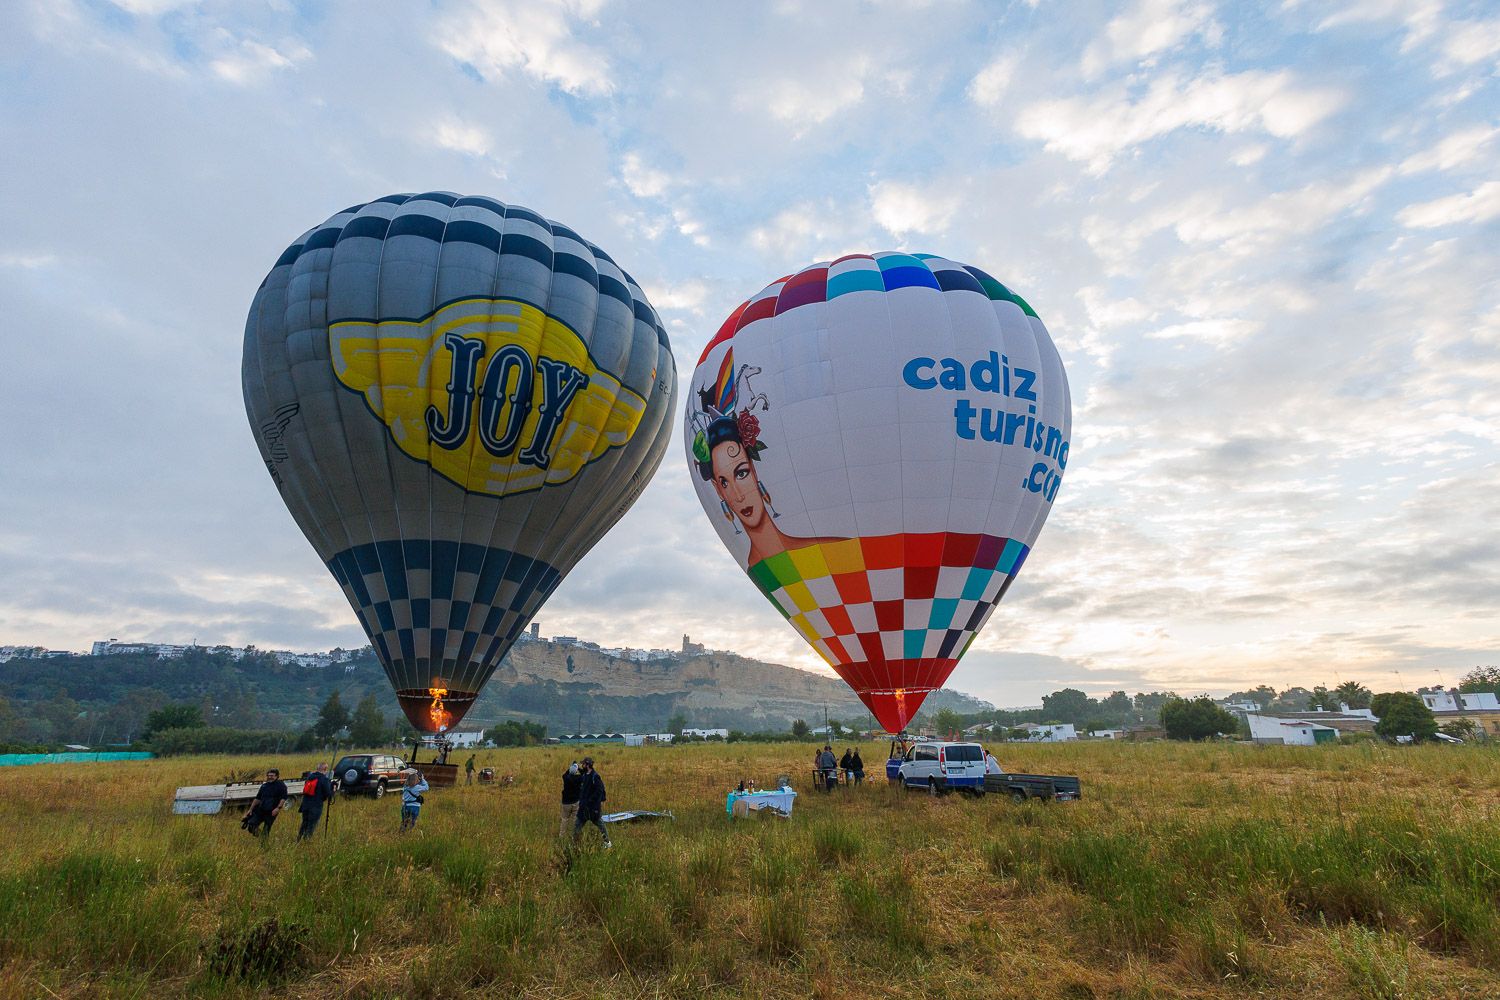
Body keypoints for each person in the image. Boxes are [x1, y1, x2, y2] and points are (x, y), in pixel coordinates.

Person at [573, 757, 611, 848]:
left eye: (583, 764)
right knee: (577, 825)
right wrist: (576, 767)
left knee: (600, 825)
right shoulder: (585, 774)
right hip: (583, 807)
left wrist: (590, 801)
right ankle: (575, 845)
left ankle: (607, 843)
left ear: (588, 765)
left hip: (593, 808)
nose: (582, 765)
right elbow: (582, 772)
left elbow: (599, 792)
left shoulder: (595, 777)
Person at [241, 767, 288, 841]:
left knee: (266, 829)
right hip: (261, 809)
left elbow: (283, 798)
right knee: (251, 825)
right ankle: (261, 837)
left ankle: (264, 843)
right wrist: (250, 809)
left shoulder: (281, 786)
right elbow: (257, 798)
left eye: (272, 776)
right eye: (268, 775)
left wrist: (278, 808)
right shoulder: (264, 786)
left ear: (277, 776)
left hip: (272, 811)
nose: (270, 777)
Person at [296, 762, 334, 841]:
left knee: (304, 823)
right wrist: (332, 788)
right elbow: (328, 793)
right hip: (316, 805)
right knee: (312, 824)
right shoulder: (324, 779)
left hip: (305, 805)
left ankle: (298, 839)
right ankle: (306, 841)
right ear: (325, 769)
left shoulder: (309, 777)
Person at [399, 769, 429, 833]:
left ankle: (402, 833)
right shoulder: (417, 787)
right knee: (413, 822)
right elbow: (426, 787)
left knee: (404, 821)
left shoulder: (405, 786)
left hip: (405, 806)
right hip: (415, 807)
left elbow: (411, 783)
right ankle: (410, 832)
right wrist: (422, 779)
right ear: (416, 779)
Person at [560, 761, 582, 837]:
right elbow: (584, 774)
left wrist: (572, 766)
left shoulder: (566, 778)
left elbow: (565, 774)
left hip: (566, 803)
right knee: (575, 819)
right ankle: (575, 835)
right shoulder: (579, 778)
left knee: (564, 819)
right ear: (576, 772)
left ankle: (562, 835)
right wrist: (578, 767)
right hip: (575, 802)